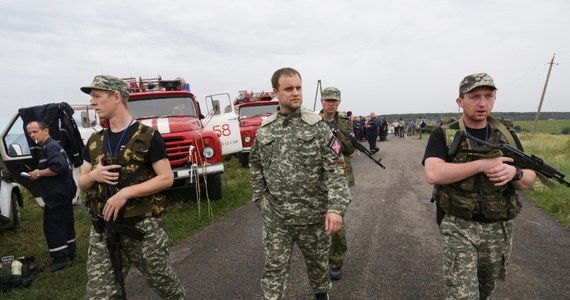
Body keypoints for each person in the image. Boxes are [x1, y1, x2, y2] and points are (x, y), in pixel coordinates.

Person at [423, 73, 537, 299]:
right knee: (463, 295)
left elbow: (529, 180)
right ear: (460, 101)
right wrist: (483, 165)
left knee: (485, 292)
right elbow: (433, 173)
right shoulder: (444, 134)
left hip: (498, 229)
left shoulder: (506, 136)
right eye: (475, 96)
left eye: (488, 96)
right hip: (459, 226)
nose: (482, 103)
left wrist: (515, 172)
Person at [78, 75, 185, 299]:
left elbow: (166, 178)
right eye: (92, 98)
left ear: (116, 97)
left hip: (142, 229)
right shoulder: (95, 140)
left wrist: (125, 193)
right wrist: (95, 175)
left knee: (164, 284)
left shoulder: (148, 137)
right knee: (100, 294)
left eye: (97, 96)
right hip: (104, 229)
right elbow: (82, 181)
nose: (92, 102)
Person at [249, 68, 351, 300]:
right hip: (277, 218)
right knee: (273, 270)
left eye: (298, 88)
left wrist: (335, 209)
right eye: (289, 89)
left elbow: (336, 169)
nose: (296, 93)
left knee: (318, 271)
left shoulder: (317, 127)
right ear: (276, 92)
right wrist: (261, 200)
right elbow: (255, 166)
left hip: (313, 218)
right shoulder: (265, 129)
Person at [26, 121, 77, 272]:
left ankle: (60, 258)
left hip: (57, 195)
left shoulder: (50, 146)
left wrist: (38, 173)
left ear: (46, 131)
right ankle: (70, 251)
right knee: (66, 223)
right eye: (29, 133)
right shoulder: (50, 146)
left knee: (53, 226)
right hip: (64, 193)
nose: (32, 135)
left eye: (35, 131)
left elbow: (59, 167)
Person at [318, 87, 355, 281]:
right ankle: (318, 257)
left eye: (334, 101)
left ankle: (336, 261)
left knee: (336, 221)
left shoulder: (345, 123)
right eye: (327, 100)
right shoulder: (313, 121)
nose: (330, 104)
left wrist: (337, 132)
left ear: (339, 102)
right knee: (317, 221)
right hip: (318, 177)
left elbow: (349, 149)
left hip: (340, 175)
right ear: (322, 101)